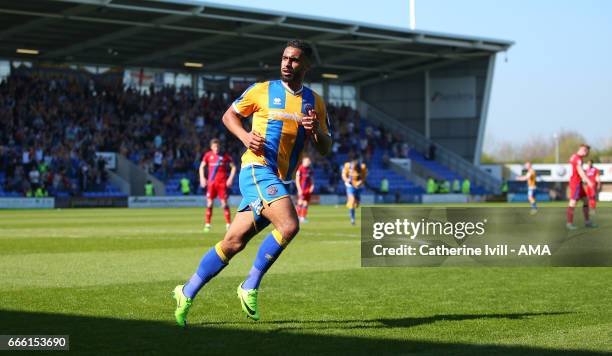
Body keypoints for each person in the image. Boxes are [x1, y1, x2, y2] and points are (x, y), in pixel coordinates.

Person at [172, 39, 332, 326]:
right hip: (256, 170)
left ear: (306, 65)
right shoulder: (262, 90)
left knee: (232, 243)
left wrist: (316, 131)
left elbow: (326, 148)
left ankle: (186, 291)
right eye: (284, 57)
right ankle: (250, 285)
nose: (287, 63)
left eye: (294, 60)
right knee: (289, 225)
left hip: (279, 179)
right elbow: (229, 116)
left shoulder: (314, 101)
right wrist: (245, 136)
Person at [199, 138, 237, 232]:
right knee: (209, 203)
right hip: (211, 183)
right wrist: (202, 178)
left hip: (222, 183)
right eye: (214, 146)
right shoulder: (208, 155)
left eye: (217, 146)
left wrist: (230, 178)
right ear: (211, 147)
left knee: (224, 204)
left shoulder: (224, 156)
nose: (216, 148)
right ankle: (207, 224)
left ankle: (228, 224)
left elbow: (234, 167)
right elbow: (201, 167)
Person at [566, 144, 596, 230]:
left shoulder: (574, 157)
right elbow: (580, 172)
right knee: (573, 202)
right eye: (587, 152)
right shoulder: (578, 159)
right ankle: (569, 223)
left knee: (586, 201)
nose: (587, 154)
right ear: (584, 150)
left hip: (577, 182)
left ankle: (587, 222)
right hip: (576, 183)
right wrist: (589, 181)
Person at [342, 156, 368, 225]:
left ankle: (351, 203)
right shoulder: (347, 166)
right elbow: (343, 175)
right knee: (352, 201)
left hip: (358, 186)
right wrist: (346, 180)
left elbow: (365, 176)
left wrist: (361, 181)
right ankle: (352, 219)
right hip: (350, 186)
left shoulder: (363, 167)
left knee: (356, 204)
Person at [295, 156, 314, 223]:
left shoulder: (310, 169)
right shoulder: (300, 169)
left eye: (309, 161)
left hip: (308, 189)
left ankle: (303, 217)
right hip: (302, 189)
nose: (309, 162)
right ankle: (297, 217)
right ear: (304, 162)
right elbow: (297, 180)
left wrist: (312, 186)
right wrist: (299, 189)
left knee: (306, 203)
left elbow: (311, 179)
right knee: (300, 202)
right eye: (308, 161)